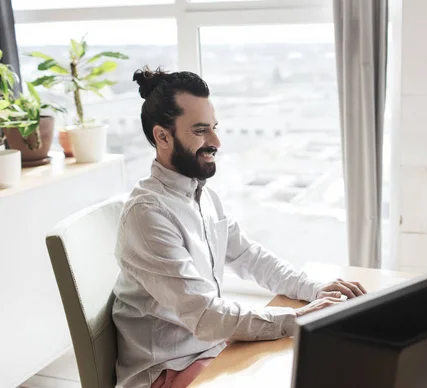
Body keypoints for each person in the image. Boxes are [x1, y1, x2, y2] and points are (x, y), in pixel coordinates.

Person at [112, 67, 367, 388]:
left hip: (210, 348)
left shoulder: (202, 195)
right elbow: (204, 315)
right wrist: (299, 318)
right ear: (162, 136)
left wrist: (315, 290)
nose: (216, 140)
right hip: (167, 370)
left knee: (315, 361)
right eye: (200, 130)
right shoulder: (148, 214)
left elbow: (250, 257)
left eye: (214, 128)